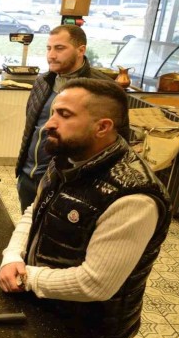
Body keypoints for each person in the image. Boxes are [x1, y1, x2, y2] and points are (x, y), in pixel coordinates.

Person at [0, 78, 171, 338]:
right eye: (53, 112)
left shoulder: (133, 195)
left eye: (64, 115)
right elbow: (34, 211)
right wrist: (12, 256)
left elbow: (95, 284)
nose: (49, 124)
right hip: (45, 305)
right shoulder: (66, 158)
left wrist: (27, 278)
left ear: (102, 127)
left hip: (85, 333)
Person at [15, 24, 112, 212]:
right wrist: (22, 171)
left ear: (81, 50)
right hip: (28, 177)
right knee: (28, 227)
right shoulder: (43, 81)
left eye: (59, 48)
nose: (51, 55)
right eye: (49, 48)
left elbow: (112, 142)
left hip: (66, 182)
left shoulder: (100, 88)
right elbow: (32, 129)